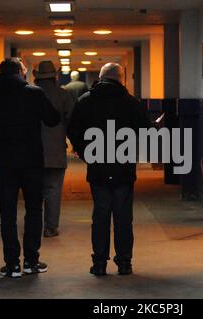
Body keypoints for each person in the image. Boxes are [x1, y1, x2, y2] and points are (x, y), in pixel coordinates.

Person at [0, 59, 61, 278]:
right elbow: (52, 119)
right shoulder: (34, 93)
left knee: (9, 213)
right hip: (32, 162)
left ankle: (12, 264)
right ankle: (32, 261)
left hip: (5, 164)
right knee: (33, 209)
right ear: (21, 72)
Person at [67, 63, 150, 276]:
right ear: (121, 79)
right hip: (123, 166)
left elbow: (73, 130)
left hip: (98, 166)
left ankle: (100, 263)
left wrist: (86, 152)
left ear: (101, 78)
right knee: (123, 216)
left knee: (101, 215)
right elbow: (146, 132)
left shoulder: (85, 101)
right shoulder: (132, 103)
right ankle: (124, 263)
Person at [33, 61, 74, 238]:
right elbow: (72, 121)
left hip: (32, 151)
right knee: (53, 190)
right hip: (56, 150)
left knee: (34, 191)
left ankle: (33, 225)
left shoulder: (30, 95)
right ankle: (50, 227)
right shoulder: (63, 95)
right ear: (54, 76)